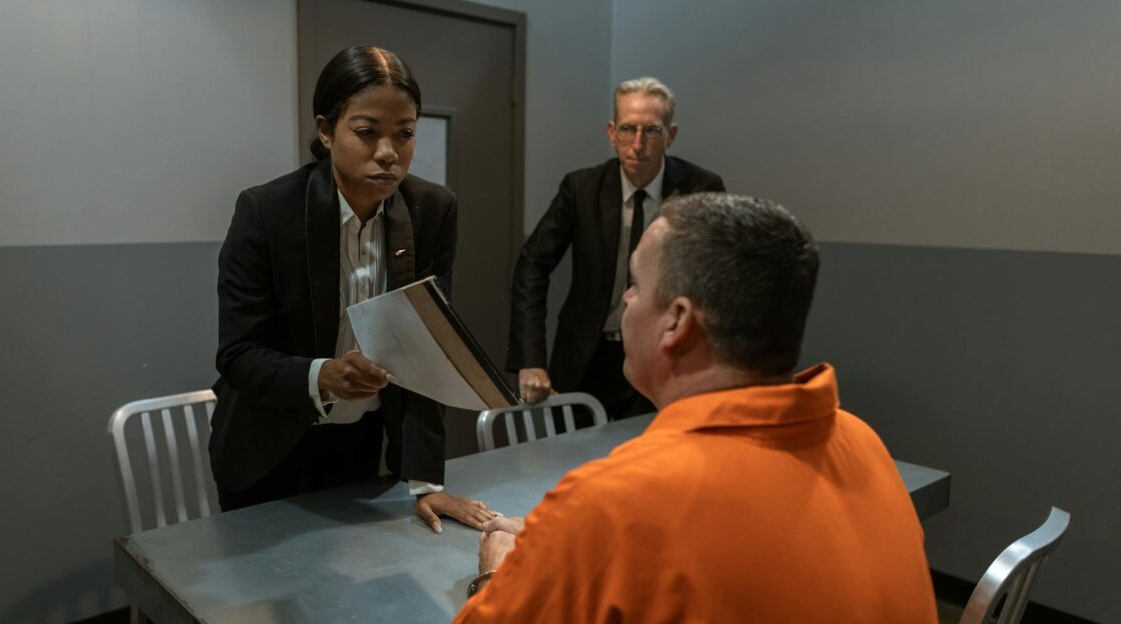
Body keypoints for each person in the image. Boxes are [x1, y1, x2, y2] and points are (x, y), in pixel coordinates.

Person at [455, 194, 939, 622]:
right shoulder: (860, 439)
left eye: (636, 285)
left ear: (677, 321)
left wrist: (500, 571)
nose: (625, 298)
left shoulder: (612, 503)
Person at [209, 46, 495, 534]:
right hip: (267, 443)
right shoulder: (267, 211)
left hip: (360, 443)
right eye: (367, 133)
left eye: (404, 134)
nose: (388, 153)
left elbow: (423, 350)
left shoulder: (432, 210)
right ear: (326, 130)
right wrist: (322, 375)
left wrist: (426, 480)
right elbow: (238, 355)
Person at [506, 77, 726, 419]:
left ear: (671, 134)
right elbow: (532, 264)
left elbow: (717, 278)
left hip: (664, 355)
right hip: (586, 355)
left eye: (651, 131)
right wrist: (530, 359)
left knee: (655, 462)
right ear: (612, 132)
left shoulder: (700, 187)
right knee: (573, 462)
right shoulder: (581, 188)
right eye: (627, 129)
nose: (637, 144)